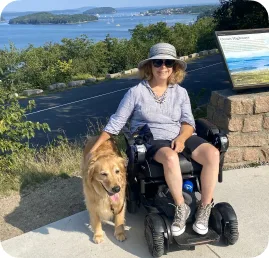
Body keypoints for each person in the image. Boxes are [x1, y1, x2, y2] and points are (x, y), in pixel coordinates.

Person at [89, 43, 220, 236]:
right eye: (158, 62)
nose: (163, 67)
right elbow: (116, 123)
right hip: (151, 138)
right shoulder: (136, 93)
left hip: (180, 135)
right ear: (149, 66)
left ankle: (205, 207)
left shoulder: (180, 92)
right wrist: (95, 148)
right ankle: (180, 207)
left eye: (169, 63)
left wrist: (183, 138)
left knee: (212, 153)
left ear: (174, 67)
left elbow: (188, 123)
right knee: (170, 157)